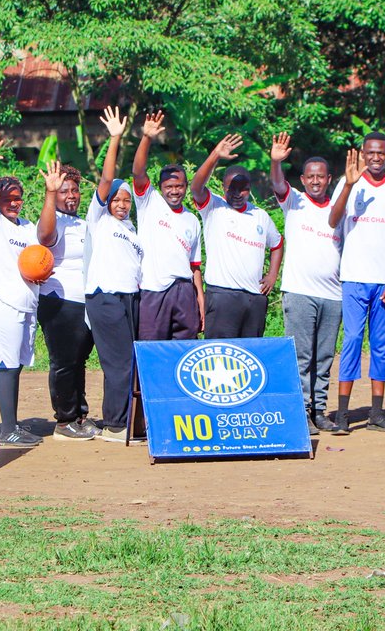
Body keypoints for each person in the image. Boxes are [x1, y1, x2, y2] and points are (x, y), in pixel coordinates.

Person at [0, 133, 60, 448]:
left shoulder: (25, 227)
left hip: (26, 305)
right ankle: (7, 428)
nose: (14, 202)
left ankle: (10, 425)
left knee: (17, 363)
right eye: (8, 197)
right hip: (1, 304)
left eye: (18, 197)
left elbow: (46, 235)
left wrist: (51, 192)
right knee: (5, 365)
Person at [327, 132, 385, 433]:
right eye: (370, 153)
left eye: (381, 153)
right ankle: (342, 415)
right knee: (351, 340)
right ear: (363, 154)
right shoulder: (348, 182)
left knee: (382, 345)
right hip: (354, 278)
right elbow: (333, 220)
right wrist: (349, 185)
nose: (376, 158)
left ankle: (377, 412)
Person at [269, 132, 342, 437]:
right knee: (300, 355)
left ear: (329, 179)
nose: (315, 181)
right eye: (310, 177)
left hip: (334, 294)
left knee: (324, 357)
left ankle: (320, 410)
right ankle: (300, 411)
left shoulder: (339, 207)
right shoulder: (294, 201)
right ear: (303, 179)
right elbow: (277, 183)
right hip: (300, 292)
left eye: (320, 177)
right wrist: (275, 162)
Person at [85, 107, 144, 443]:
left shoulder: (132, 229)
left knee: (130, 360)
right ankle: (114, 425)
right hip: (104, 295)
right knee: (119, 361)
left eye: (126, 200)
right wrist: (115, 138)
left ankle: (124, 420)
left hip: (130, 297)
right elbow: (106, 180)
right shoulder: (100, 219)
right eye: (116, 200)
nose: (121, 204)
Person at [190, 134, 284, 338]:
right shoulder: (214, 207)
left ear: (249, 190)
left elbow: (277, 244)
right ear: (223, 188)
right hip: (222, 296)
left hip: (254, 299)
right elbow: (196, 187)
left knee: (249, 357)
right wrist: (215, 155)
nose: (237, 193)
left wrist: (272, 275)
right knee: (219, 357)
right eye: (232, 188)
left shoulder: (260, 215)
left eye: (243, 189)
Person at [37, 154, 96, 442]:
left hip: (84, 302)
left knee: (79, 360)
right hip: (59, 301)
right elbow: (46, 238)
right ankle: (64, 420)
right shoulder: (53, 218)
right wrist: (50, 192)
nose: (71, 196)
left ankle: (80, 414)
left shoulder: (84, 222)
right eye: (64, 191)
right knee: (63, 361)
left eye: (74, 190)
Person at [132, 111, 205, 339]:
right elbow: (138, 171)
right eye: (169, 186)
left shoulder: (192, 220)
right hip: (154, 292)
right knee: (151, 351)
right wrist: (147, 137)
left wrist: (200, 302)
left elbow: (195, 268)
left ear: (185, 186)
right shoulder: (149, 202)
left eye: (179, 186)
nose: (174, 191)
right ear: (161, 187)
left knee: (184, 352)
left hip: (184, 292)